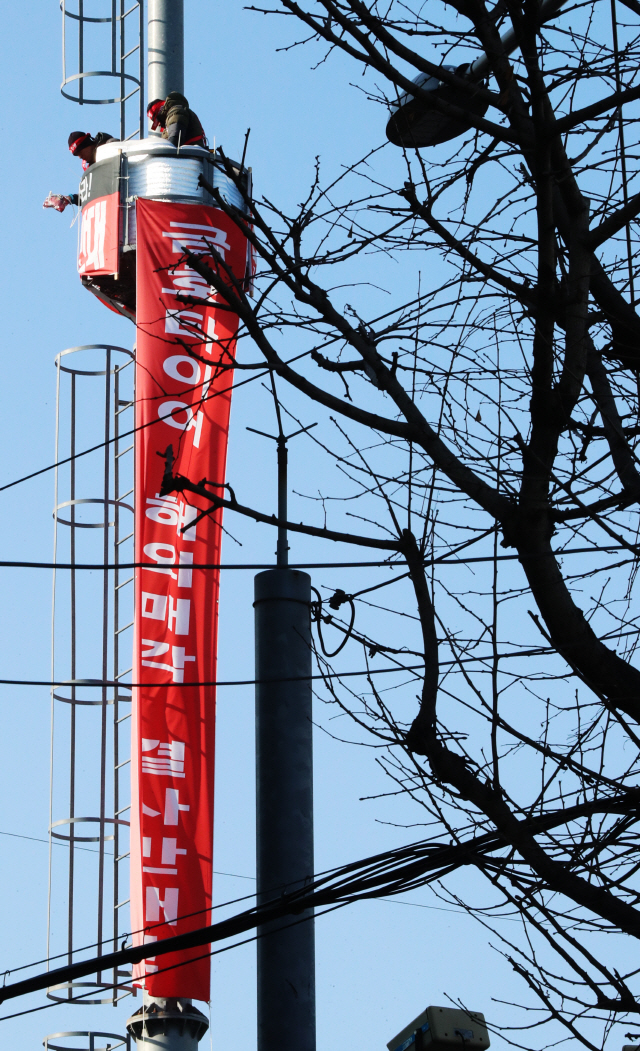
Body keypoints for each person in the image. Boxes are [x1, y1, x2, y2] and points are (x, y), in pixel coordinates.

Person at [43, 131, 117, 213]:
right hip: (109, 208)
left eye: (79, 151)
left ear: (86, 144)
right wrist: (70, 199)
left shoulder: (110, 146)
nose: (79, 157)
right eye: (76, 154)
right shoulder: (90, 166)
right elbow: (91, 193)